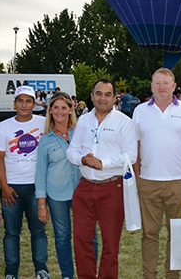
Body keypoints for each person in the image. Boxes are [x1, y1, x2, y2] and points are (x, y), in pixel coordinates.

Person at [133, 68, 181, 279]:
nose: (161, 87)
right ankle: (149, 275)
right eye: (157, 83)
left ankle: (173, 275)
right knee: (149, 234)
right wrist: (136, 180)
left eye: (166, 83)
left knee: (177, 234)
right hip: (148, 182)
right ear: (151, 86)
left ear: (174, 86)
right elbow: (134, 148)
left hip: (179, 182)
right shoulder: (139, 111)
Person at [66, 79, 137, 279]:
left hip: (112, 188)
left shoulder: (124, 122)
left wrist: (102, 163)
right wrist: (82, 159)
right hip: (85, 188)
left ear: (115, 98)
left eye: (107, 94)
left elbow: (131, 156)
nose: (102, 98)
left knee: (110, 243)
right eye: (98, 93)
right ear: (91, 96)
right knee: (81, 240)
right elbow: (71, 151)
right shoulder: (83, 120)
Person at [0, 85, 49, 279]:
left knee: (39, 231)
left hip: (36, 188)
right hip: (12, 188)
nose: (24, 105)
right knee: (11, 233)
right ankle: (11, 272)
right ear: (14, 103)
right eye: (20, 101)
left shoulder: (44, 123)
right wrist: (5, 186)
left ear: (34, 103)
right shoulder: (3, 126)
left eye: (28, 101)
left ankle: (41, 269)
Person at [36, 92, 80, 279]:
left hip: (81, 192)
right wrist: (41, 204)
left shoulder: (80, 133)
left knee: (87, 235)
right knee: (62, 237)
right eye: (56, 108)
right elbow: (40, 173)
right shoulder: (45, 139)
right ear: (50, 111)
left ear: (70, 110)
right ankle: (67, 275)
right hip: (57, 195)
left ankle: (88, 273)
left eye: (64, 107)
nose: (60, 111)